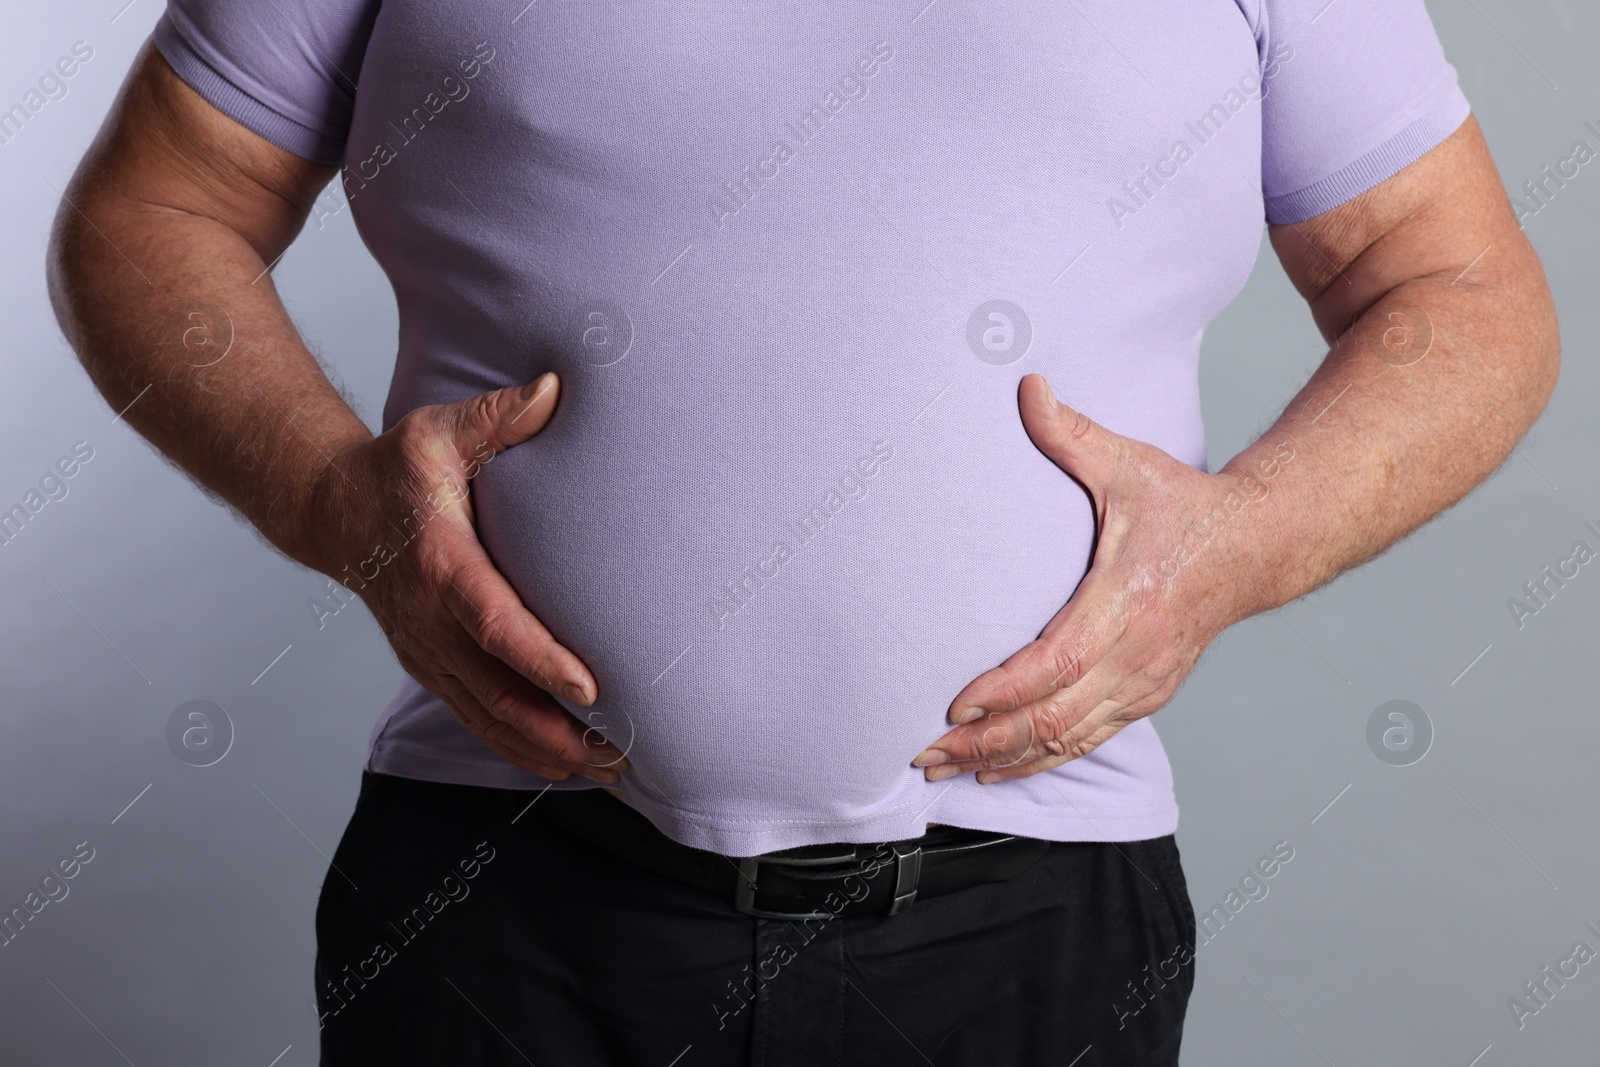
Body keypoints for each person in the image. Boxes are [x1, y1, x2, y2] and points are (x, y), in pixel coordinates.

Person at [48, 0, 1557, 1063]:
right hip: (507, 900)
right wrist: (332, 501)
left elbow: (1463, 293)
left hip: (1022, 923)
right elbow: (153, 215)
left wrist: (1241, 544)